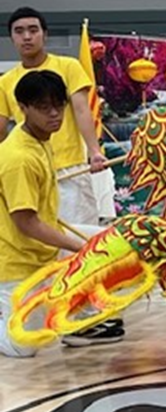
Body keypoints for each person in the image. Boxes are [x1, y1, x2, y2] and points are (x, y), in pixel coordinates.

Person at [0, 71, 124, 358]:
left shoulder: (40, 139)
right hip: (16, 260)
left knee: (116, 244)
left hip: (41, 250)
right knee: (23, 347)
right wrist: (81, 247)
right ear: (23, 108)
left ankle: (78, 320)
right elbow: (26, 223)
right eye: (44, 108)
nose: (54, 114)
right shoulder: (18, 158)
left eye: (59, 105)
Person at [0, 7, 107, 226]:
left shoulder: (68, 66)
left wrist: (94, 151)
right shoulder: (5, 82)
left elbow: (81, 110)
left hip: (70, 170)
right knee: (37, 239)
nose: (27, 37)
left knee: (80, 239)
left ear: (45, 34)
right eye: (19, 31)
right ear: (11, 38)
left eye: (33, 30)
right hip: (30, 173)